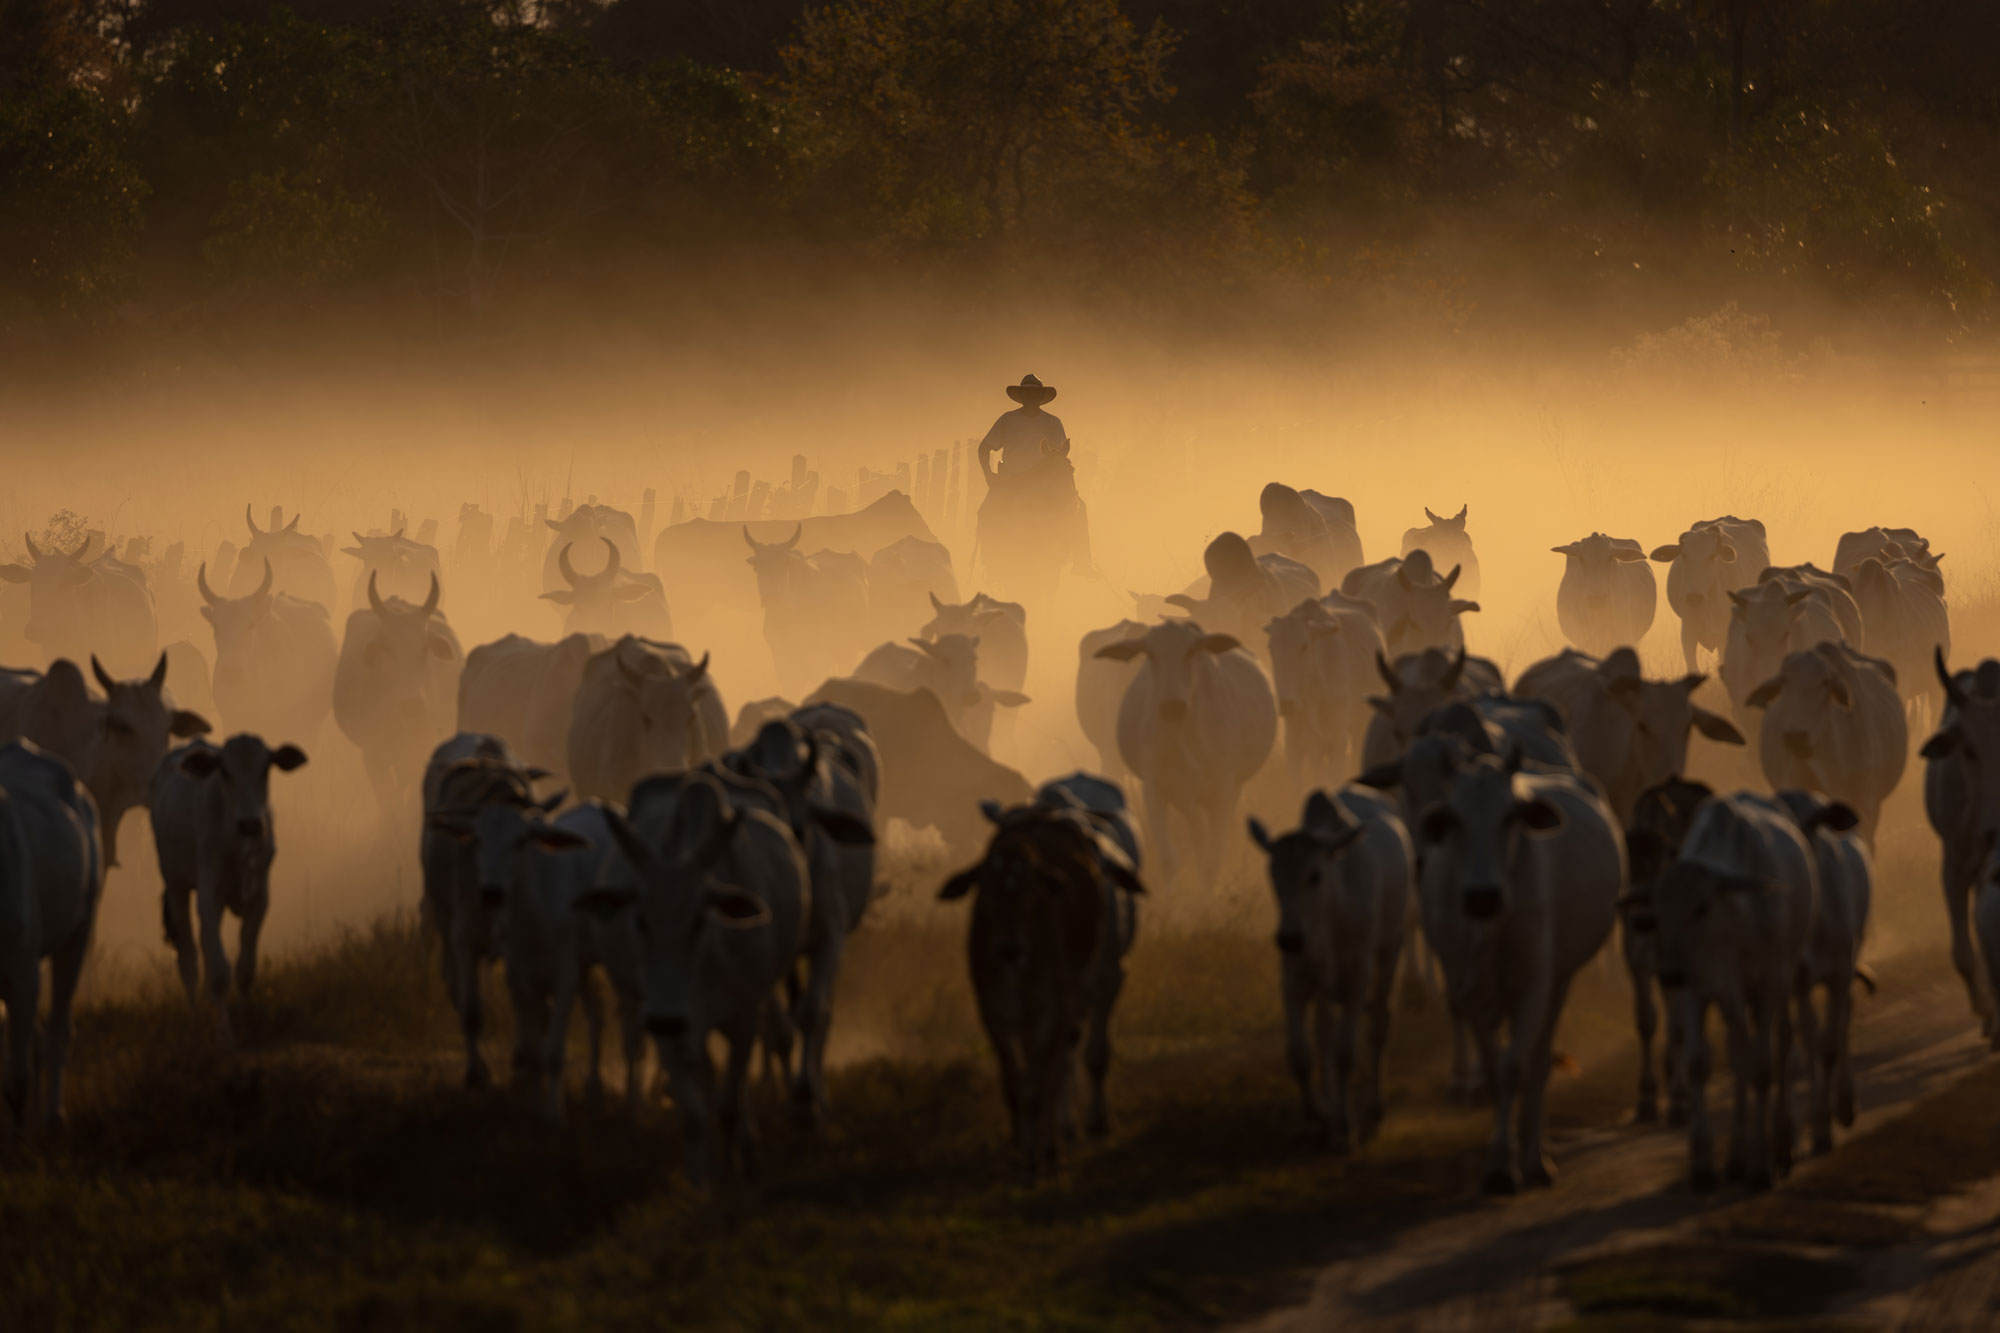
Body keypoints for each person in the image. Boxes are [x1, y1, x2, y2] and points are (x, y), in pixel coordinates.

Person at [977, 374, 1068, 477]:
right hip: (1010, 480)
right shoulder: (1008, 419)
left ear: (1040, 396)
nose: (1031, 396)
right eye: (1027, 393)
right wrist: (988, 475)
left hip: (1043, 481)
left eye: (1035, 393)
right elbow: (984, 448)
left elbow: (1060, 455)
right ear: (1021, 395)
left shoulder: (1053, 422)